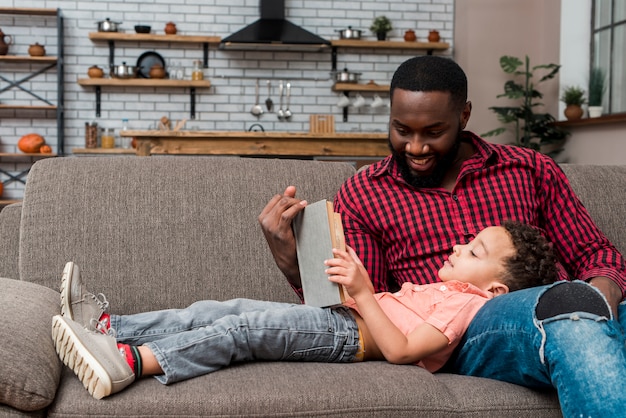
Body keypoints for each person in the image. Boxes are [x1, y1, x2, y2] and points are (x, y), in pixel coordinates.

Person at [258, 55, 626, 417]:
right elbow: (363, 300)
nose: (416, 148)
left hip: (559, 305)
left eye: (434, 132)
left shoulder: (529, 169)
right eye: (402, 130)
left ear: (463, 116)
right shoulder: (364, 193)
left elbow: (595, 253)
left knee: (573, 309)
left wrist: (598, 302)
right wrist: (293, 262)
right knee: (564, 309)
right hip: (459, 335)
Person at [52, 220, 555, 400]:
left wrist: (362, 292)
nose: (458, 248)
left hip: (348, 339)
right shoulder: (449, 292)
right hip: (340, 320)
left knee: (240, 330)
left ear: (493, 290)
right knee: (219, 308)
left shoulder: (465, 310)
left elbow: (402, 350)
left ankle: (130, 362)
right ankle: (108, 326)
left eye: (473, 252)